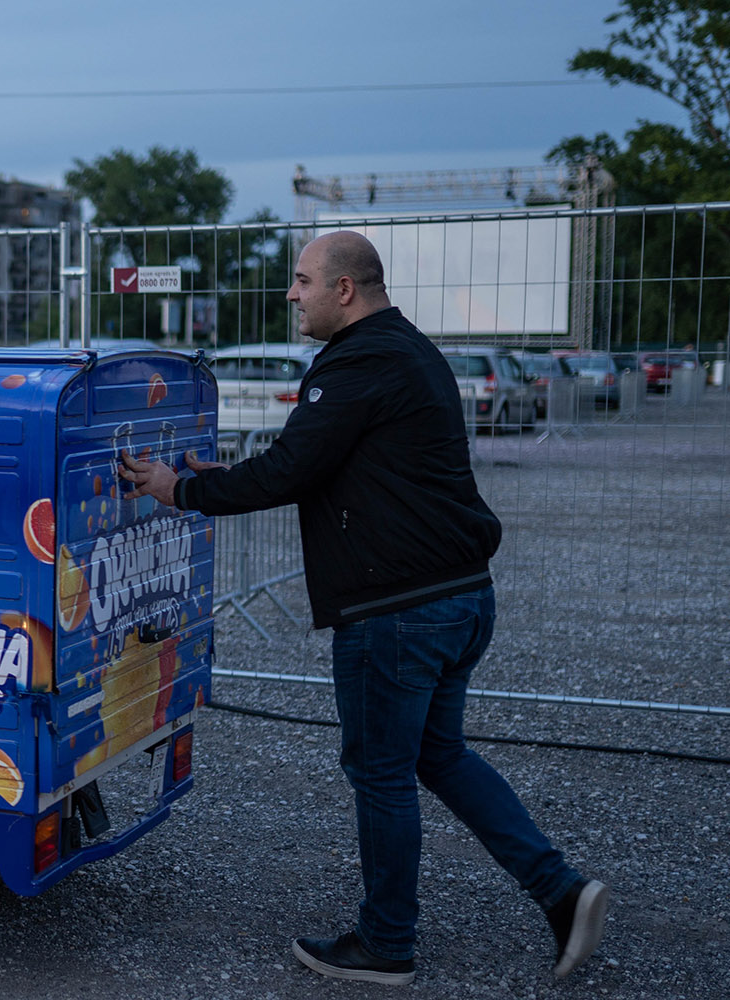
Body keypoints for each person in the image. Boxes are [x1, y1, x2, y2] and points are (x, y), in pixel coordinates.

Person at [120, 231, 607, 985]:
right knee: (438, 755)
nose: (292, 294)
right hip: (457, 597)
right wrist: (226, 474)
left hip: (398, 612)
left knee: (381, 772)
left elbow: (291, 470)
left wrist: (178, 488)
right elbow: (333, 465)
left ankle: (385, 944)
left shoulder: (357, 362)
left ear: (344, 290)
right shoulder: (408, 349)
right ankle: (562, 893)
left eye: (302, 280)